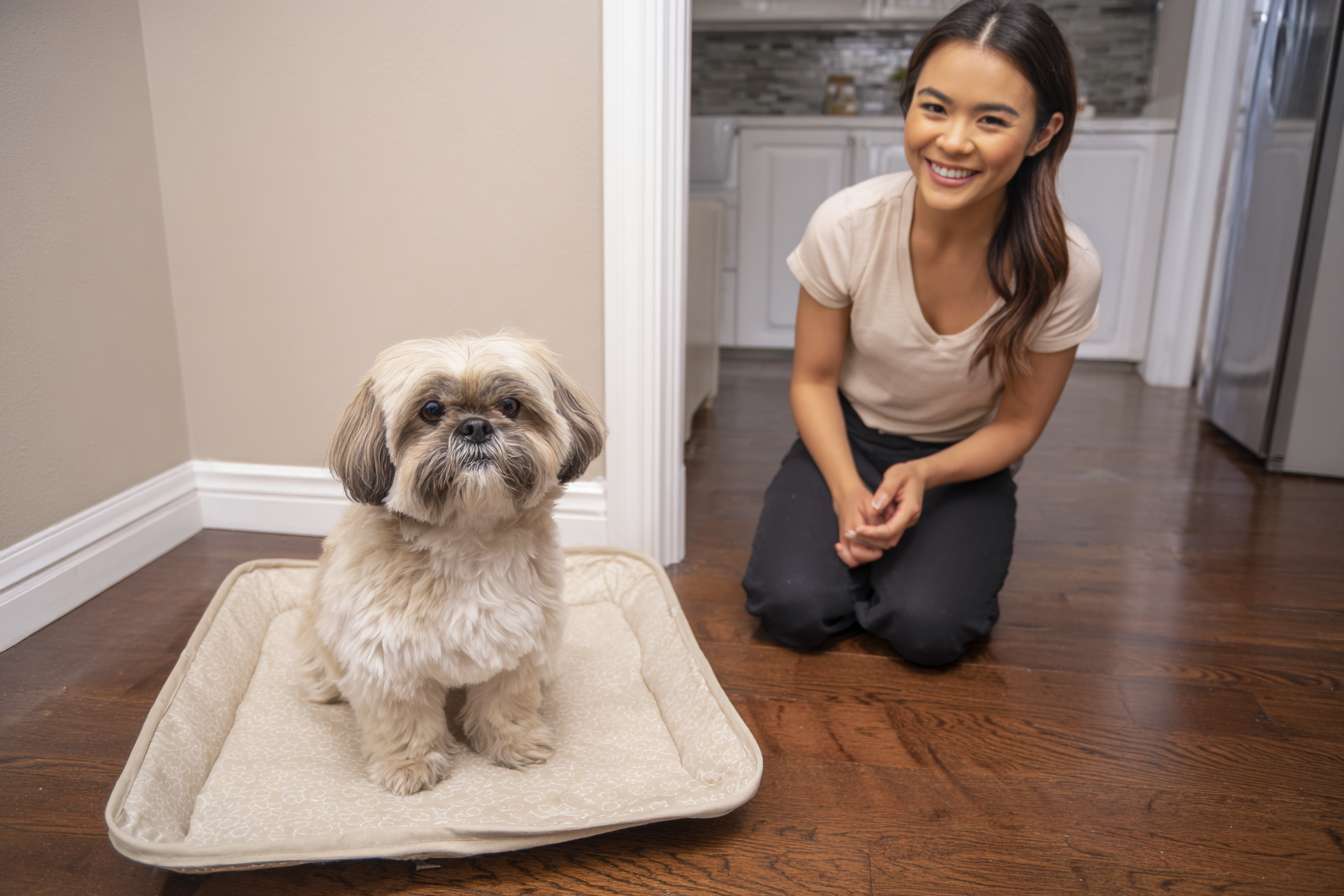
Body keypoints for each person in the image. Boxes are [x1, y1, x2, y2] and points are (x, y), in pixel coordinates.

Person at [742, 0, 1102, 667]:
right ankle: (866, 560)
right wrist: (850, 492)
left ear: (1043, 132)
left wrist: (923, 474)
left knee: (928, 629)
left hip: (962, 459)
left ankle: (904, 573)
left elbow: (1019, 426)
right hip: (847, 436)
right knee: (793, 607)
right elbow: (813, 381)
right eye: (934, 108)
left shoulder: (1065, 267)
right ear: (910, 107)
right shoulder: (846, 225)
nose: (954, 141)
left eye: (992, 119)